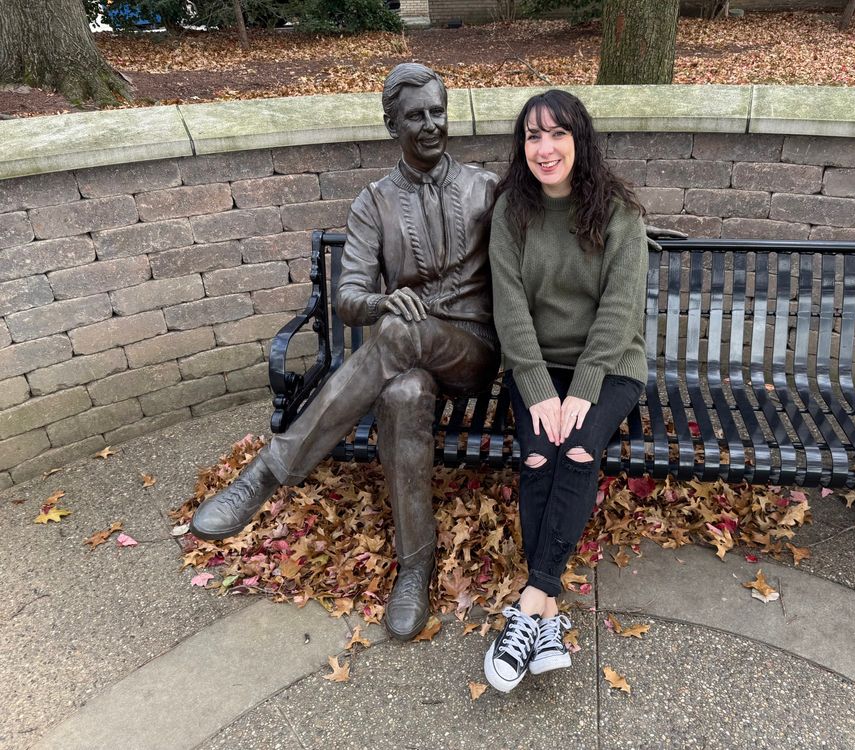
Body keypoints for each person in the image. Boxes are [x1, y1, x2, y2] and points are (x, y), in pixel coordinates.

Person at [190, 63, 500, 642]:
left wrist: (619, 226)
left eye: (438, 112)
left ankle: (270, 470)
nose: (431, 125)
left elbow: (552, 216)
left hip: (473, 351)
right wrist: (386, 302)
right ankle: (415, 567)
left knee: (404, 338)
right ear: (392, 125)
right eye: (416, 116)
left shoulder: (484, 188)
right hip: (407, 356)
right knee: (404, 394)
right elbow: (350, 297)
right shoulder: (373, 204)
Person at [483, 90, 648, 693]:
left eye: (557, 134)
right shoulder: (511, 213)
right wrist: (535, 387)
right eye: (532, 136)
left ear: (580, 140)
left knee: (577, 449)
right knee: (537, 454)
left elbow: (619, 311)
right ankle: (545, 618)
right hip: (536, 368)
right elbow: (510, 309)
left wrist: (581, 389)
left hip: (609, 370)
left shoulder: (620, 214)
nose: (544, 148)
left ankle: (530, 604)